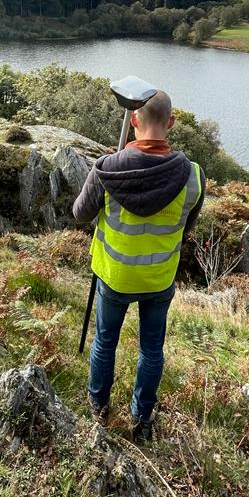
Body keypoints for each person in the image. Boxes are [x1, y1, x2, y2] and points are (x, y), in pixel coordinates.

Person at [72, 89, 206, 444]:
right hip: (159, 278)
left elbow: (79, 213)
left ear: (133, 121)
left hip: (114, 276)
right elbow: (185, 224)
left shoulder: (107, 168)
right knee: (151, 349)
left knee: (105, 341)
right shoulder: (193, 176)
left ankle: (98, 406)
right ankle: (142, 418)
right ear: (171, 123)